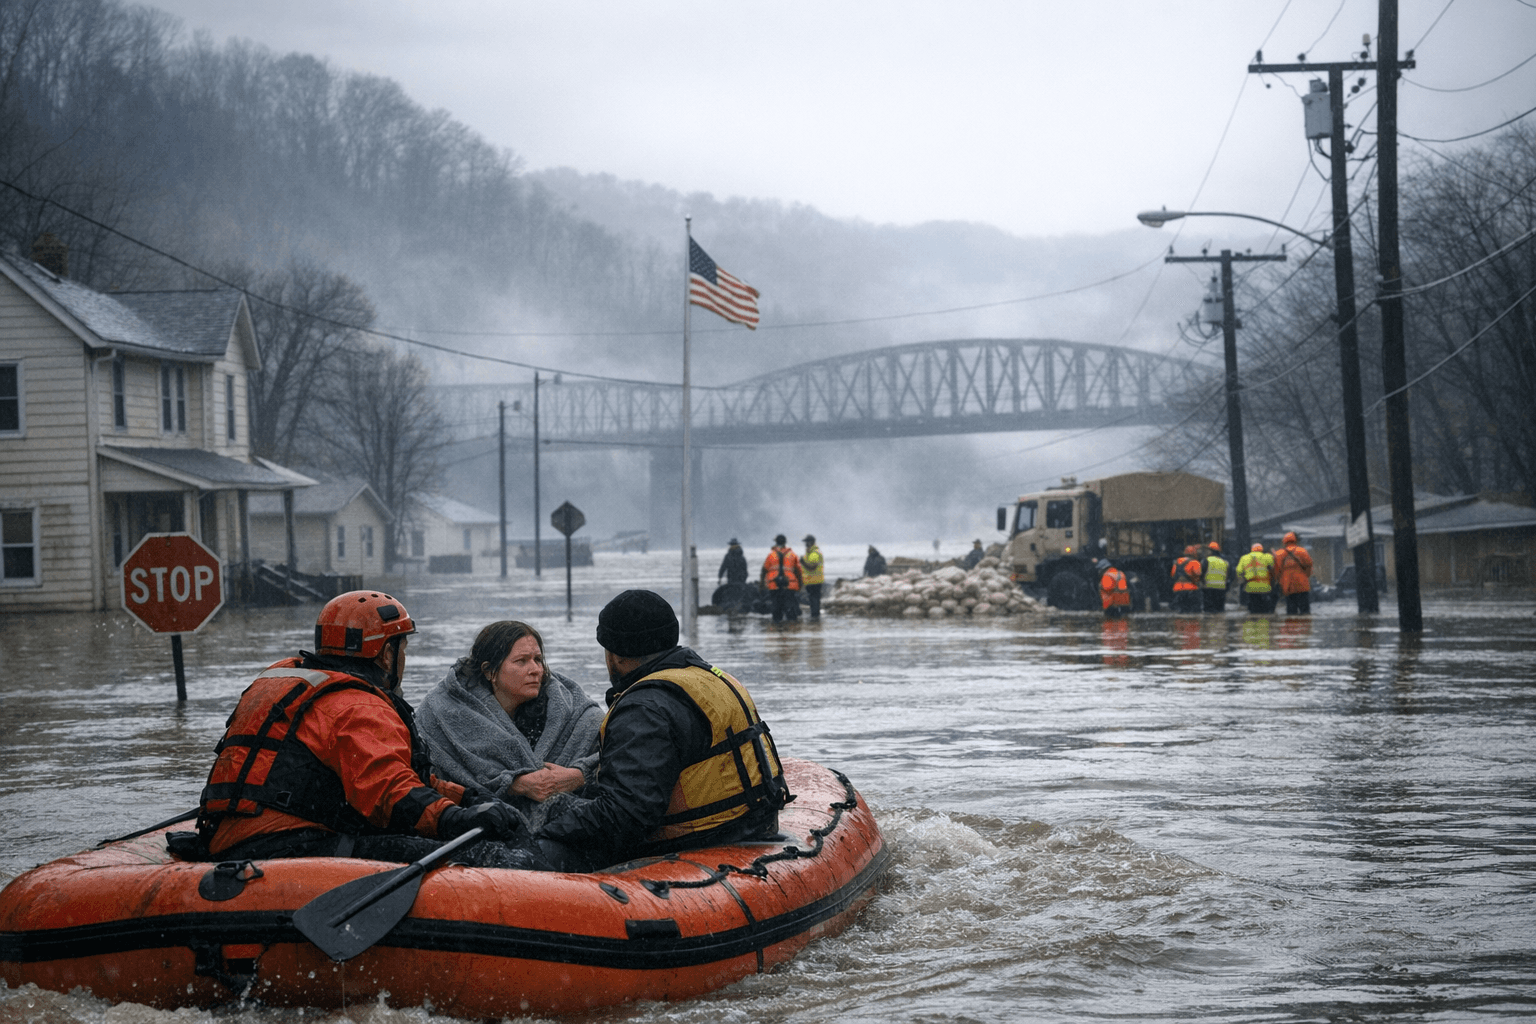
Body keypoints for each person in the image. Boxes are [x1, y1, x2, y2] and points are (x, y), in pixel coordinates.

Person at [190, 591, 526, 867]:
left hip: (228, 836)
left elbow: (379, 776)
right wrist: (457, 819)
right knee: (488, 858)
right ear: (385, 655)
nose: (404, 659)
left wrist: (464, 795)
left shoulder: (287, 681)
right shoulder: (358, 707)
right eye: (402, 649)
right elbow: (392, 797)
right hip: (288, 848)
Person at [533, 590, 792, 872]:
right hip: (746, 826)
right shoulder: (706, 677)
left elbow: (627, 817)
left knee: (537, 850)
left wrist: (543, 827)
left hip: (698, 843)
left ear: (615, 654)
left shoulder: (644, 708)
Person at [417, 621, 601, 831]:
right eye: (521, 661)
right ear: (489, 671)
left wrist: (579, 776)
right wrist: (514, 785)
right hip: (480, 823)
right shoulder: (446, 712)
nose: (535, 670)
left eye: (538, 660)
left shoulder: (570, 709)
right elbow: (437, 777)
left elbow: (614, 759)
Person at [761, 533, 802, 623]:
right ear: (785, 543)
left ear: (776, 542)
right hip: (790, 585)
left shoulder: (771, 555)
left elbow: (764, 570)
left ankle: (777, 629)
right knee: (790, 609)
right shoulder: (792, 554)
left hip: (774, 585)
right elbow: (799, 571)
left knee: (776, 609)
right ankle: (792, 631)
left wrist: (762, 585)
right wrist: (800, 586)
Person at [1274, 531, 1314, 615]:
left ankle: (1292, 627)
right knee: (1305, 611)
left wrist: (1280, 582)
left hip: (1288, 586)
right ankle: (1305, 627)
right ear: (1296, 540)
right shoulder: (1302, 551)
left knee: (1291, 612)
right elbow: (1309, 565)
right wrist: (1306, 577)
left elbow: (1277, 571)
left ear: (1284, 541)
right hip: (1302, 585)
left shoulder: (1279, 554)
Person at [1237, 542, 1277, 614]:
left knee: (1253, 606)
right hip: (1264, 586)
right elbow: (1273, 568)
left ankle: (1253, 619)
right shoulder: (1268, 556)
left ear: (1252, 550)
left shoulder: (1244, 558)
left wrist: (1242, 582)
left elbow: (1239, 571)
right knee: (1264, 608)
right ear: (1262, 550)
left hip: (1250, 586)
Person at [1170, 544, 1203, 613]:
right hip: (1191, 590)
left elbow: (1173, 575)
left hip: (1178, 589)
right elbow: (1198, 575)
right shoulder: (1195, 562)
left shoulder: (1176, 562)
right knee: (1195, 611)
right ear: (1194, 553)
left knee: (1183, 610)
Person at [801, 534, 825, 620]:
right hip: (811, 581)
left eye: (806, 542)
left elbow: (812, 567)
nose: (805, 544)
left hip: (814, 581)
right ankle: (815, 615)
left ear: (810, 542)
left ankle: (815, 617)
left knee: (814, 600)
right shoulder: (810, 553)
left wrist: (803, 562)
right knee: (813, 600)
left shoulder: (814, 553)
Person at [1201, 541, 1230, 614]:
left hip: (1209, 588)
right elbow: (1230, 575)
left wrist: (1202, 582)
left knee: (1208, 612)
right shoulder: (1224, 562)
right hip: (1221, 589)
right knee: (1220, 611)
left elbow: (1201, 573)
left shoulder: (1206, 560)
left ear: (1211, 551)